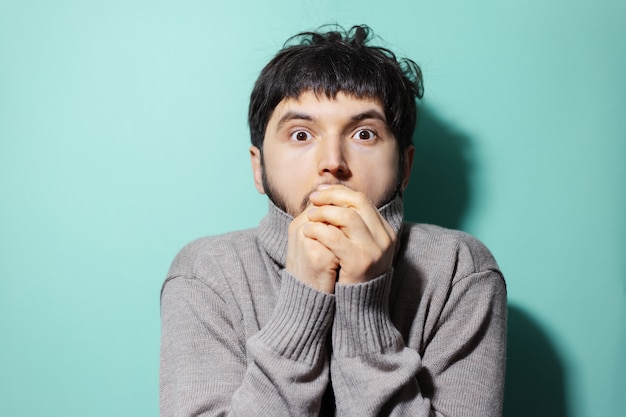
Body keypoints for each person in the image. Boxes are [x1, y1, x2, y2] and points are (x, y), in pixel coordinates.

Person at [160, 24, 507, 417]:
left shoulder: (460, 271)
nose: (332, 163)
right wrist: (302, 299)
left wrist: (364, 305)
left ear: (405, 168)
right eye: (301, 135)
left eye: (363, 134)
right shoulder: (206, 274)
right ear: (259, 169)